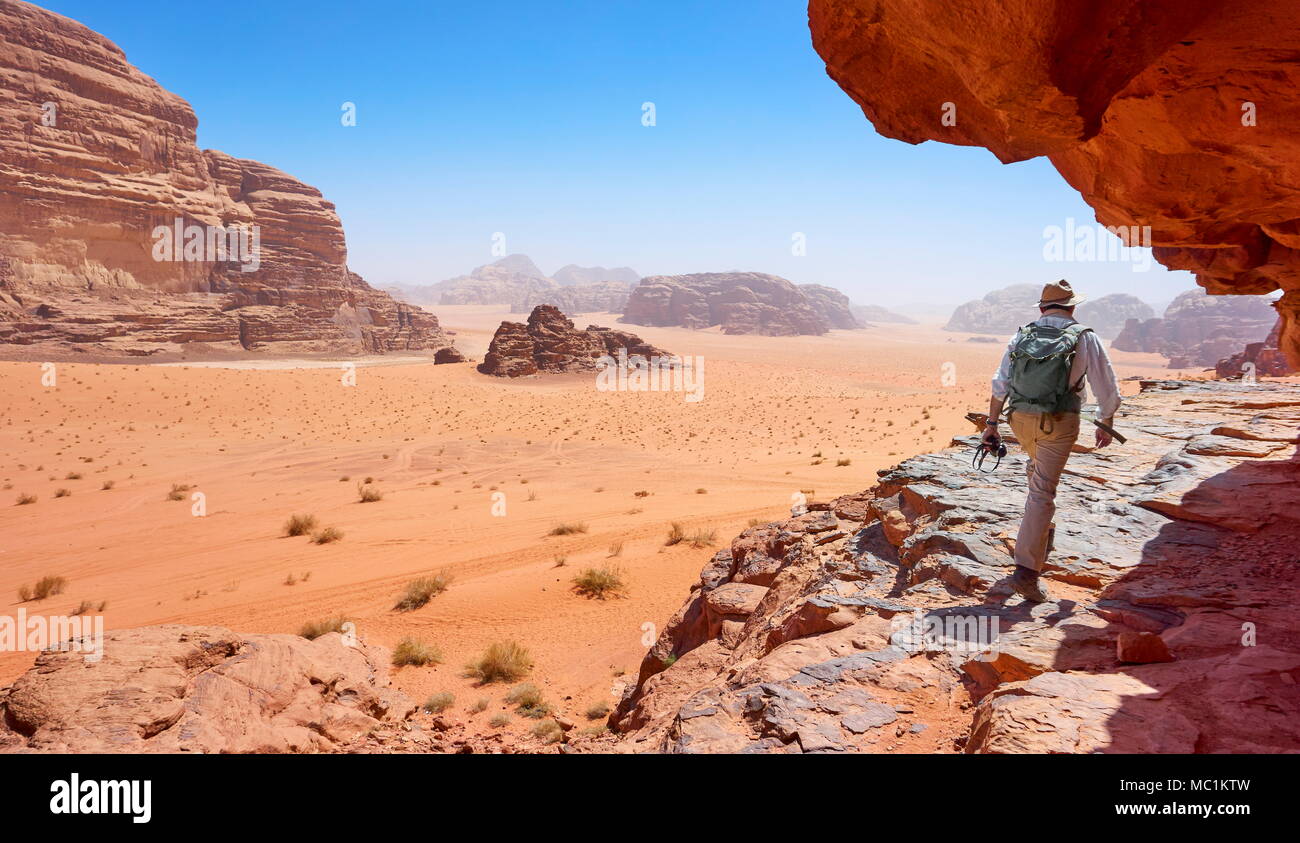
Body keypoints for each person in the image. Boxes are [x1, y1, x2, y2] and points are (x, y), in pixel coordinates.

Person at [981, 280, 1121, 602]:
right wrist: (1106, 421)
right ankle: (1027, 572)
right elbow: (1107, 387)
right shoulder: (1085, 337)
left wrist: (992, 424)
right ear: (1073, 307)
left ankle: (1041, 539)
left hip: (1020, 421)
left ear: (1043, 308)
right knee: (1043, 490)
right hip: (1058, 423)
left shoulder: (1022, 334)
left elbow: (1000, 383)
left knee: (1036, 474)